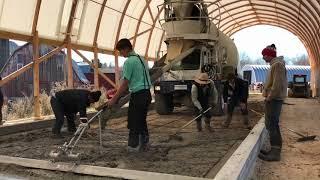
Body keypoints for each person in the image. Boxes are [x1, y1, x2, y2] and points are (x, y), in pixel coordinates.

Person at [106, 38, 152, 152]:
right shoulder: (142, 59)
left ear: (126, 48)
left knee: (133, 121)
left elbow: (125, 83)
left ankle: (133, 146)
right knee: (141, 119)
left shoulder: (129, 62)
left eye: (121, 51)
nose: (121, 54)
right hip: (146, 94)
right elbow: (136, 80)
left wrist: (113, 99)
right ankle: (144, 143)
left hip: (139, 95)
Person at [258, 44, 287, 161]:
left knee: (272, 124)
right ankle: (274, 149)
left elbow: (277, 84)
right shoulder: (275, 65)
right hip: (273, 99)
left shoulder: (278, 65)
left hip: (274, 99)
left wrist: (270, 97)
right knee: (272, 124)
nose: (263, 57)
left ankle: (275, 153)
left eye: (264, 55)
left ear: (269, 55)